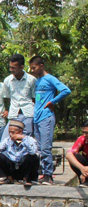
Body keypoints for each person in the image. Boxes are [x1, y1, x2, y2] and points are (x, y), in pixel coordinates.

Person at [29, 55, 71, 185]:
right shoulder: (37, 81)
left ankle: (49, 175)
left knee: (46, 148)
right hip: (37, 118)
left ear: (41, 66)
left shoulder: (50, 79)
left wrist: (53, 102)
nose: (32, 71)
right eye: (30, 68)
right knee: (39, 148)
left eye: (34, 68)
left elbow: (66, 90)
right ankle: (42, 173)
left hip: (46, 117)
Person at [0, 120, 39, 186]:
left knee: (32, 157)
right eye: (9, 132)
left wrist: (23, 139)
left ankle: (27, 179)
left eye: (13, 132)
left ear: (20, 132)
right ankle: (8, 178)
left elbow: (33, 152)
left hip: (24, 169)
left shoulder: (30, 140)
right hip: (14, 168)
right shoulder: (7, 140)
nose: (11, 134)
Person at [3, 54, 36, 137]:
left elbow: (35, 98)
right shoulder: (7, 80)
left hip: (28, 114)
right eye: (10, 67)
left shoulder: (31, 80)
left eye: (14, 68)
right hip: (14, 114)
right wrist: (7, 109)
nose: (11, 70)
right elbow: (7, 97)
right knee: (6, 139)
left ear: (21, 67)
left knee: (25, 139)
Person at [65, 121, 88, 187]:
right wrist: (82, 168)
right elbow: (68, 155)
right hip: (86, 167)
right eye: (83, 132)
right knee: (75, 157)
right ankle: (85, 181)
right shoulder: (82, 139)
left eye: (87, 133)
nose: (84, 135)